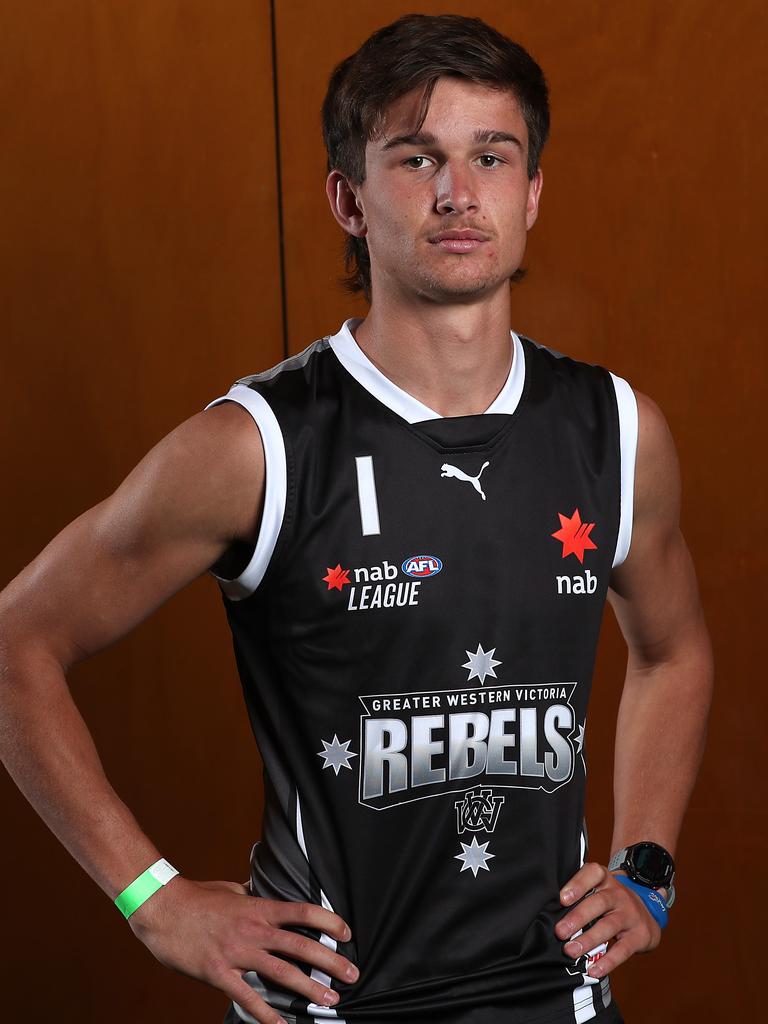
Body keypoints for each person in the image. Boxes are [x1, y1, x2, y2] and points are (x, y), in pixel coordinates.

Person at [0, 13, 713, 1024]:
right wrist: (154, 901)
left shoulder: (616, 429)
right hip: (333, 1007)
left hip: (561, 1003)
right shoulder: (257, 448)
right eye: (418, 158)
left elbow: (672, 651)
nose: (458, 193)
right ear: (349, 198)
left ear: (533, 191)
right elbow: (13, 642)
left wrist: (645, 868)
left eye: (491, 156)